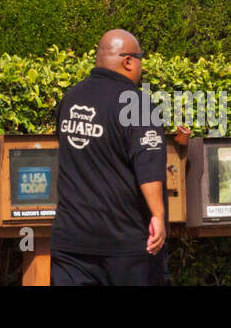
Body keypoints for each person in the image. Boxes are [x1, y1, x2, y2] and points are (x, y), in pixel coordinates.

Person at [51, 28, 168, 286]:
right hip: (123, 245)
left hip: (71, 242)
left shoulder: (70, 98)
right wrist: (158, 215)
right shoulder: (137, 104)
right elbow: (148, 165)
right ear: (128, 61)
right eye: (141, 59)